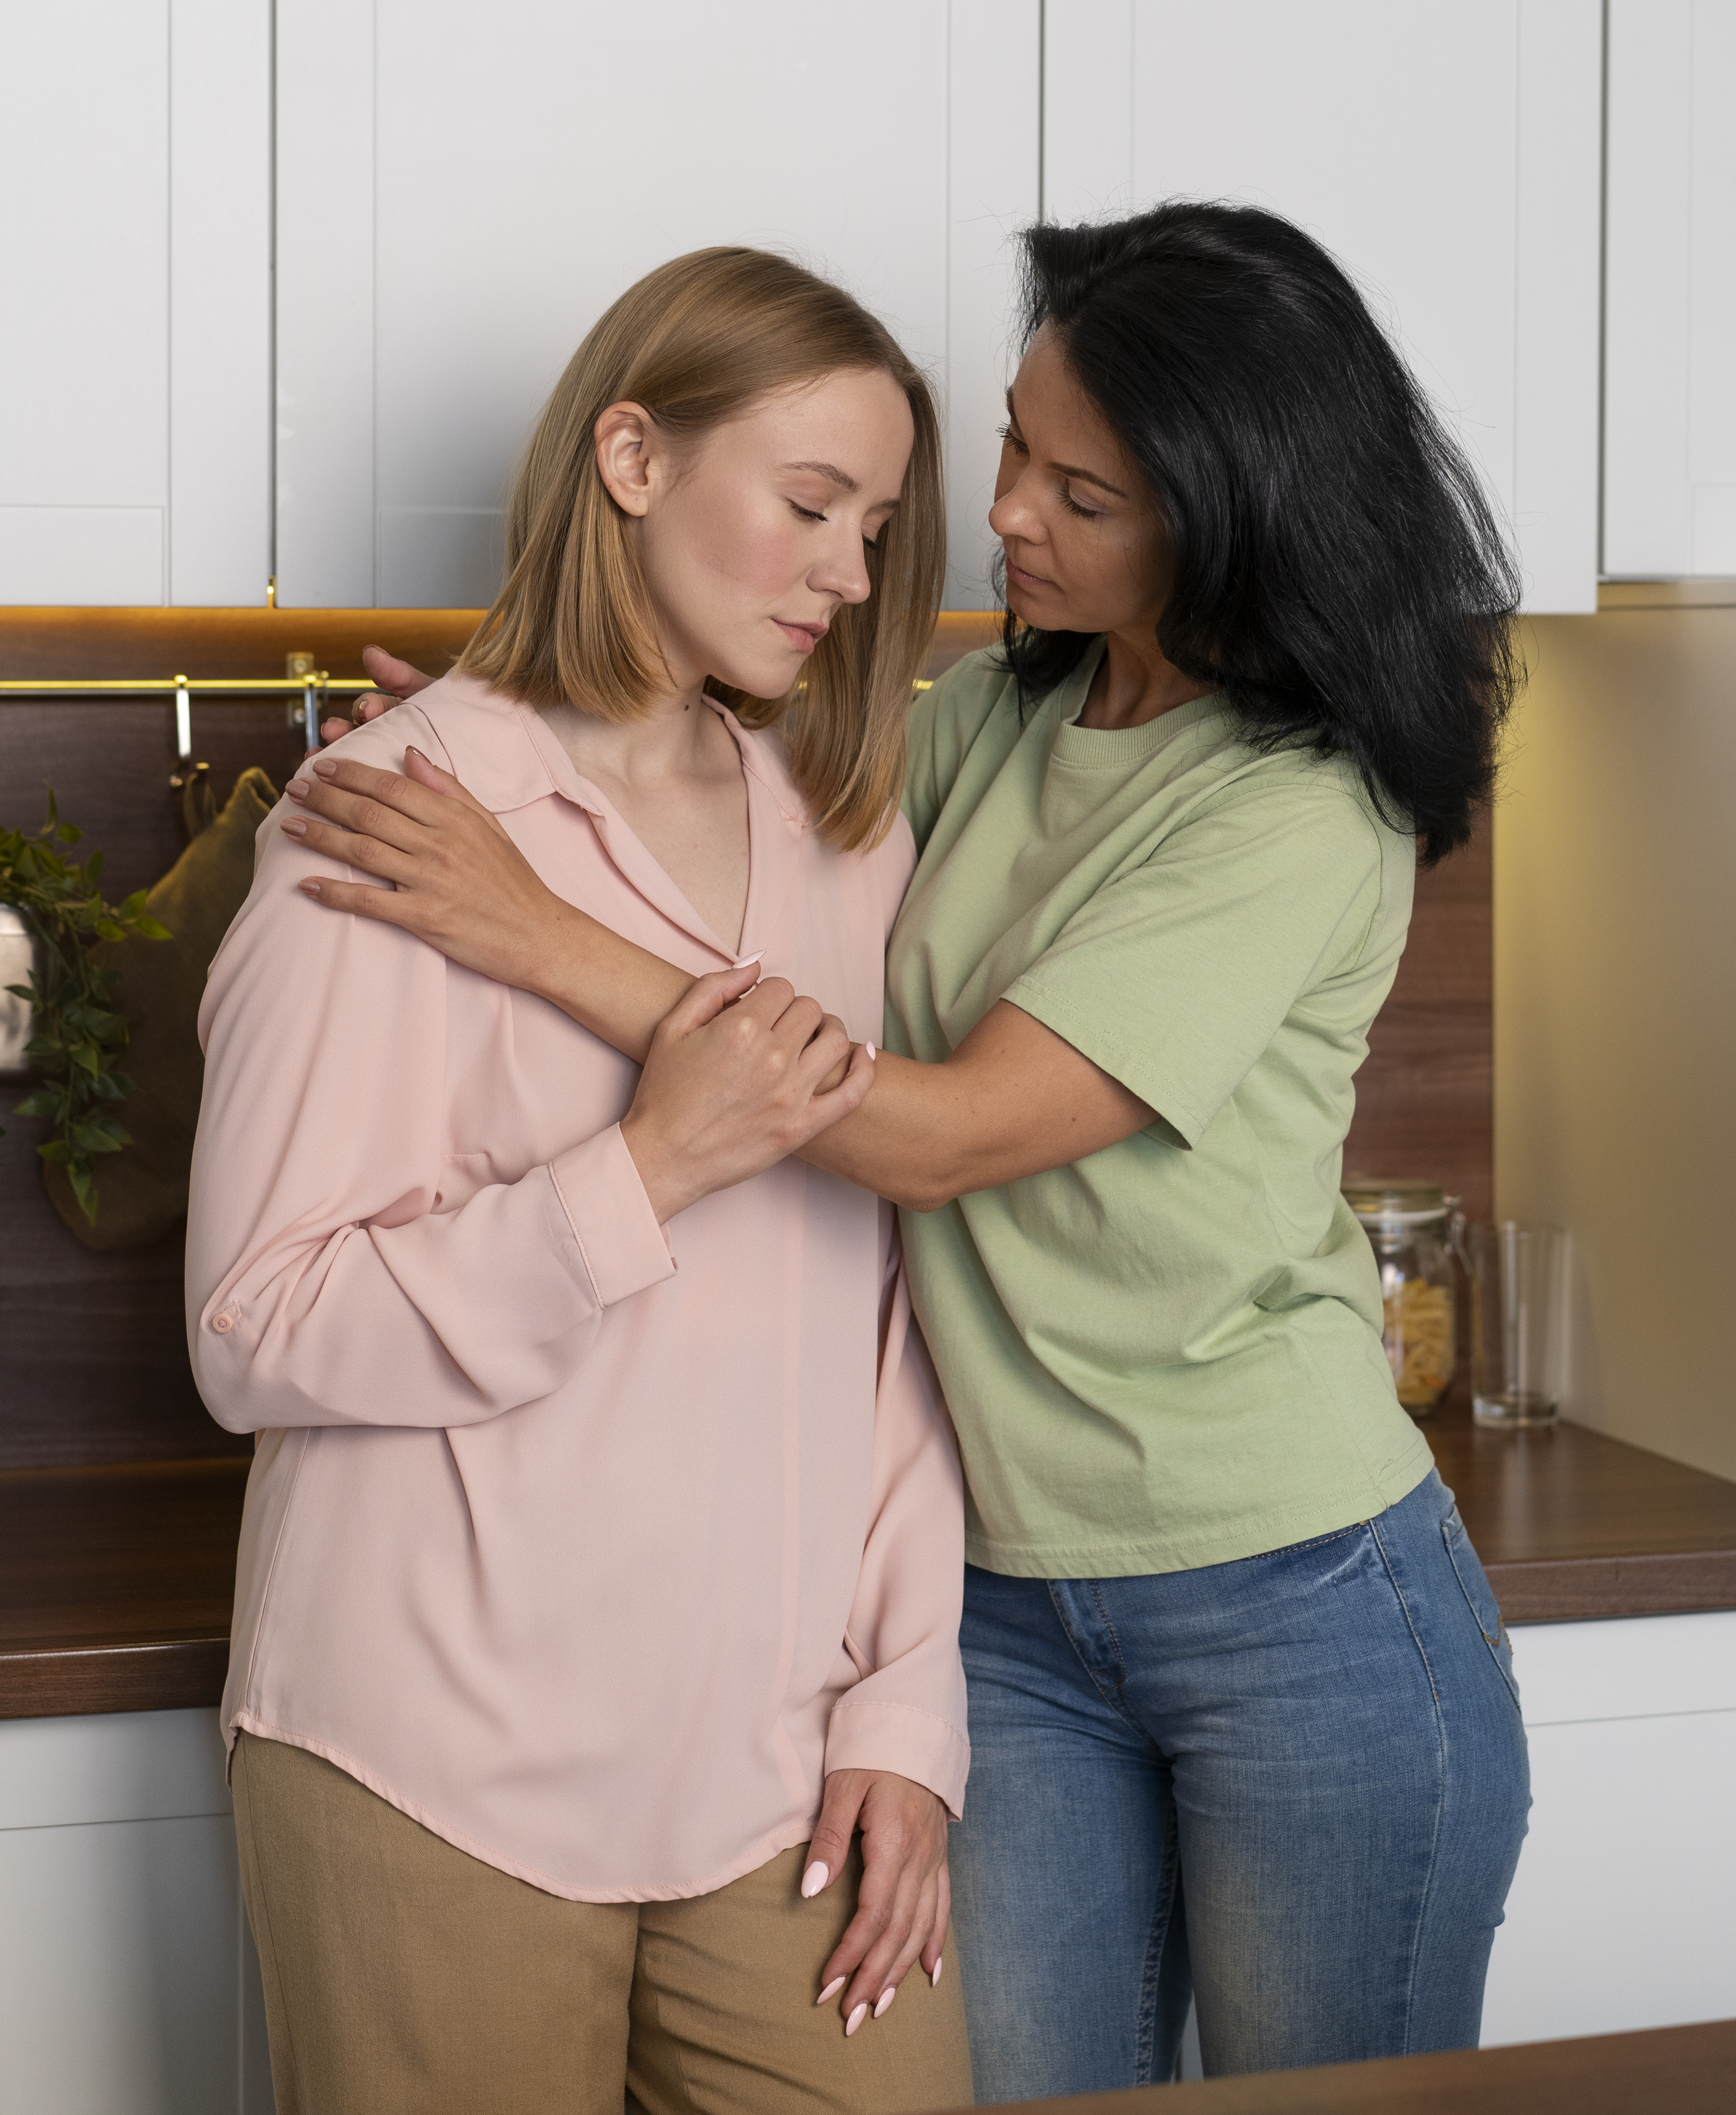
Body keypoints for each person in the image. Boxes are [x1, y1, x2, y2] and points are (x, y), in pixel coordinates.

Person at [289, 201, 1533, 2101]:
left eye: (1078, 493)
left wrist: (527, 914)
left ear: (1224, 517)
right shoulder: (999, 722)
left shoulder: (1298, 809)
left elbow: (940, 1136)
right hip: (1007, 1607)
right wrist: (519, 767)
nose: (1002, 516)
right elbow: (741, 814)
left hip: (1289, 1591)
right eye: (1019, 451)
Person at [185, 249, 978, 2115]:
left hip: (779, 1772)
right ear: (631, 454)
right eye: (809, 505)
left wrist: (906, 1712)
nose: (854, 577)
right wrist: (637, 1172)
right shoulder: (384, 827)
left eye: (876, 526)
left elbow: (890, 1318)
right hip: (427, 1758)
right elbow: (256, 1324)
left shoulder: (851, 841)